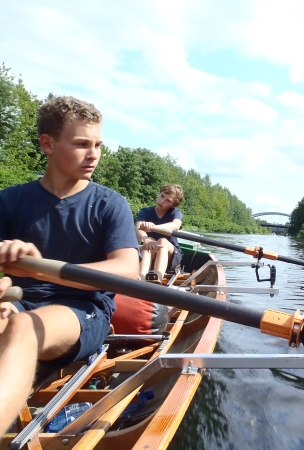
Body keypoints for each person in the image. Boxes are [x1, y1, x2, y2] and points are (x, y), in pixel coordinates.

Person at [0, 96, 139, 434]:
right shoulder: (11, 200)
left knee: (22, 329)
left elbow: (127, 270)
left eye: (98, 145)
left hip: (83, 311)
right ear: (47, 143)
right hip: (20, 300)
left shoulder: (109, 204)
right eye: (81, 144)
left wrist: (37, 266)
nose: (94, 155)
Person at [136, 184, 184, 283]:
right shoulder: (145, 211)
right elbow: (139, 228)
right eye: (162, 196)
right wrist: (146, 239)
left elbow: (175, 225)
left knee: (162, 241)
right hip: (150, 252)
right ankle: (141, 280)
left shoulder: (175, 213)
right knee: (149, 244)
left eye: (168, 201)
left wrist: (153, 227)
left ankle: (157, 279)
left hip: (171, 254)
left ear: (173, 205)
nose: (162, 201)